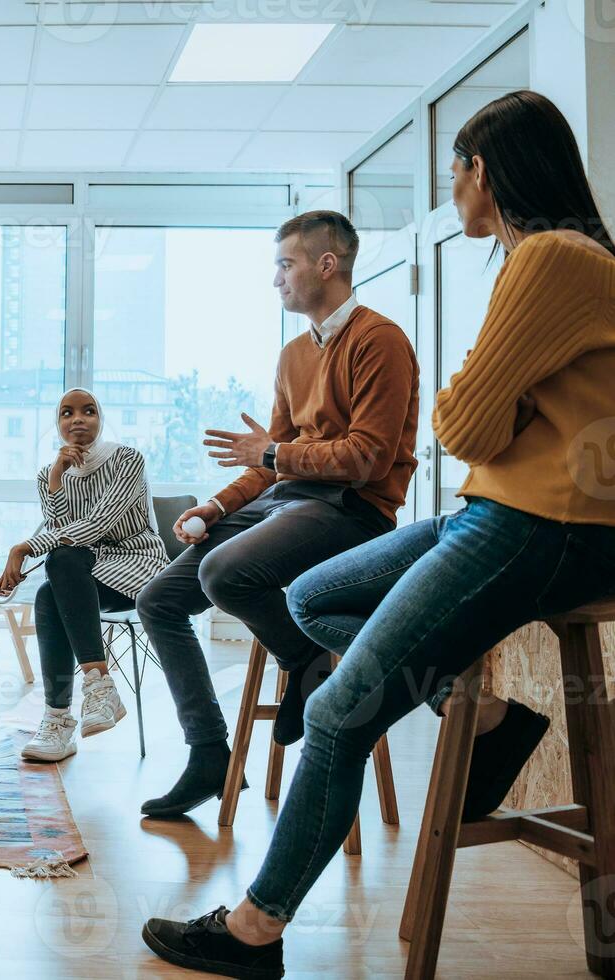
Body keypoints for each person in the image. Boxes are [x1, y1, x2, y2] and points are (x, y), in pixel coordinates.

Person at [142, 90, 615, 980]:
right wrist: (235, 486)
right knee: (311, 596)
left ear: (488, 172)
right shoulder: (538, 263)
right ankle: (488, 720)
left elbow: (457, 425)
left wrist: (481, 398)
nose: (450, 186)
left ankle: (254, 929)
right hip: (497, 509)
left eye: (457, 168)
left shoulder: (548, 259)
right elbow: (467, 417)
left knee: (333, 712)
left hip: (540, 520)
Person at [133, 208, 420, 818]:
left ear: (327, 263)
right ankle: (210, 755)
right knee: (157, 600)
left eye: (285, 265)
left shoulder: (380, 341)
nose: (277, 280)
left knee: (224, 573)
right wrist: (216, 504)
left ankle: (305, 660)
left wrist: (272, 452)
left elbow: (366, 459)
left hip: (352, 510)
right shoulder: (294, 353)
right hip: (288, 501)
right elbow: (274, 462)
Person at [0, 388, 168, 762]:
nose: (78, 420)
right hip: (84, 573)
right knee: (49, 587)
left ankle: (93, 692)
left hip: (136, 564)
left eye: (88, 411)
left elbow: (97, 525)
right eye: (66, 413)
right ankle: (60, 719)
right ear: (57, 424)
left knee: (60, 565)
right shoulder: (47, 475)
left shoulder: (127, 459)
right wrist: (57, 477)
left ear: (101, 419)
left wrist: (24, 548)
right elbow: (62, 532)